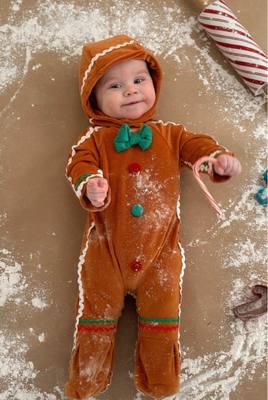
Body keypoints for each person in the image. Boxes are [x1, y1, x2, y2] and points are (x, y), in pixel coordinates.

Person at [65, 34, 241, 399]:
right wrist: (90, 182)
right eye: (114, 85)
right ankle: (86, 382)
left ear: (153, 82)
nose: (130, 91)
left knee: (162, 319)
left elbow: (197, 146)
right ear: (93, 100)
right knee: (96, 318)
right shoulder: (93, 140)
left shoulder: (169, 134)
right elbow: (77, 166)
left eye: (138, 80)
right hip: (105, 251)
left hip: (160, 252)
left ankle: (160, 383)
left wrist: (217, 159)